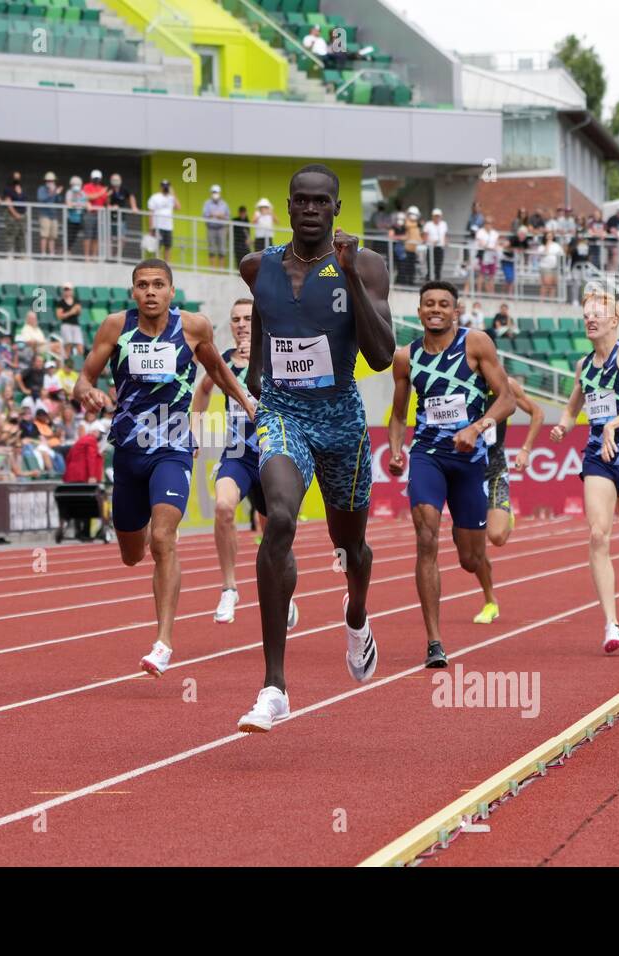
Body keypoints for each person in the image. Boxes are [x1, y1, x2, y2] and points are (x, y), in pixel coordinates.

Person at [235, 164, 395, 734]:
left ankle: (356, 615)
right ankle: (274, 685)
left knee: (351, 546)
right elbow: (263, 313)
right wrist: (256, 371)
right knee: (278, 518)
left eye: (319, 202)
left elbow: (379, 356)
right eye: (299, 201)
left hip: (342, 421)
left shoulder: (367, 263)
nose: (308, 209)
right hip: (283, 414)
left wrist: (350, 278)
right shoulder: (259, 266)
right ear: (287, 206)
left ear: (336, 208)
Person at [72, 258, 252, 680]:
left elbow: (217, 370)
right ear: (133, 293)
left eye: (158, 285)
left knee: (163, 537)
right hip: (130, 452)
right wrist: (88, 393)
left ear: (171, 291)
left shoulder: (193, 328)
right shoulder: (116, 327)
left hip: (172, 447)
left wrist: (245, 402)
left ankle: (164, 642)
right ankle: (154, 600)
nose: (150, 292)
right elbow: (83, 379)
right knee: (132, 553)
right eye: (142, 285)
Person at [387, 280, 513, 668]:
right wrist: (395, 449)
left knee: (470, 557)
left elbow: (506, 399)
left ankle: (487, 587)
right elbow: (397, 414)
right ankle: (435, 642)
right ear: (420, 311)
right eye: (429, 304)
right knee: (426, 536)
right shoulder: (405, 357)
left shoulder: (476, 344)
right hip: (428, 456)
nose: (436, 309)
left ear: (455, 311)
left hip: (470, 460)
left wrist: (476, 428)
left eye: (444, 304)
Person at [549, 288, 619, 654]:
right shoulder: (583, 365)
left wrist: (614, 423)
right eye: (586, 314)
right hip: (599, 456)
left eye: (597, 313)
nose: (590, 319)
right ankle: (611, 625)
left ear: (614, 320)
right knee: (598, 534)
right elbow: (572, 407)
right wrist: (563, 426)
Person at [190, 296, 297, 628]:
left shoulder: (278, 357)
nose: (240, 325)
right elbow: (202, 394)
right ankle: (229, 588)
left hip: (272, 456)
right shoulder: (221, 361)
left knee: (274, 531)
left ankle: (284, 590)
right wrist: (193, 431)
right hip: (237, 455)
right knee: (223, 507)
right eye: (235, 319)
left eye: (248, 319)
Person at [469, 373, 542, 623]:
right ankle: (490, 601)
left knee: (497, 536)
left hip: (495, 468)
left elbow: (537, 413)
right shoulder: (455, 382)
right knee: (470, 552)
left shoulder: (505, 385)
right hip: (466, 471)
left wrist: (526, 449)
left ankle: (505, 513)